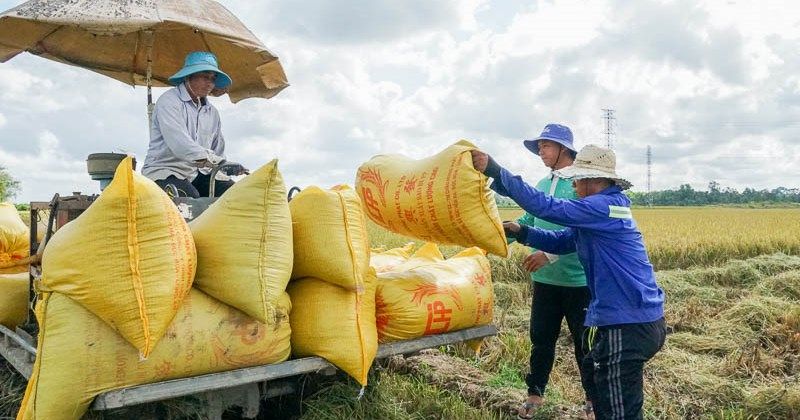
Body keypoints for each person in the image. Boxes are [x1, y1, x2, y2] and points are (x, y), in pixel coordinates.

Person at [472, 145, 666, 420]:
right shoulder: (603, 210)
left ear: (593, 181)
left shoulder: (603, 206)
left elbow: (546, 206)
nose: (573, 186)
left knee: (619, 410)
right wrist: (522, 231)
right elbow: (563, 241)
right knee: (606, 397)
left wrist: (494, 169)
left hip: (628, 324)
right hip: (633, 319)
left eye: (577, 180)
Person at [515, 124, 594, 420]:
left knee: (585, 344)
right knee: (541, 340)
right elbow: (527, 218)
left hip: (578, 281)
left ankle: (591, 401)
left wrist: (548, 254)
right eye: (538, 147)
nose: (540, 152)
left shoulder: (582, 184)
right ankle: (535, 395)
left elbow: (583, 228)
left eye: (545, 146)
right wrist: (495, 236)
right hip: (545, 281)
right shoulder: (542, 183)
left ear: (564, 149)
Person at [142, 51, 246, 198]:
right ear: (189, 76)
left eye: (213, 78)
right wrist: (215, 160)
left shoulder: (212, 113)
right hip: (164, 171)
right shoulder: (169, 102)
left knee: (235, 195)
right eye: (205, 77)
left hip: (196, 173)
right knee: (191, 198)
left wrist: (226, 167)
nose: (210, 83)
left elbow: (218, 150)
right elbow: (180, 145)